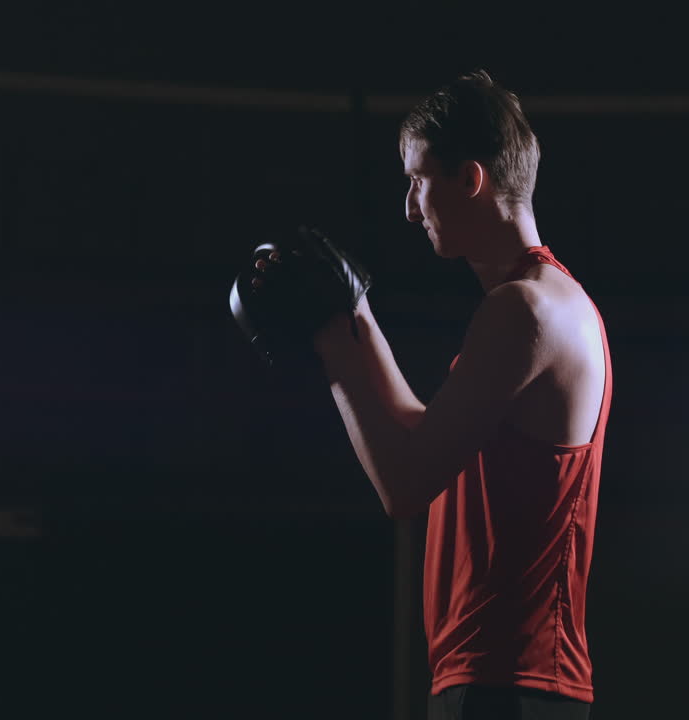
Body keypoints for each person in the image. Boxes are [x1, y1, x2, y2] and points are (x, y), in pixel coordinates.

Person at [232, 70, 611, 719]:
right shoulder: (540, 302)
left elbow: (405, 487)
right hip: (509, 679)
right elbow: (424, 433)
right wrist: (357, 311)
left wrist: (331, 342)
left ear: (470, 179)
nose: (410, 206)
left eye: (417, 179)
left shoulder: (526, 311)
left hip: (509, 682)